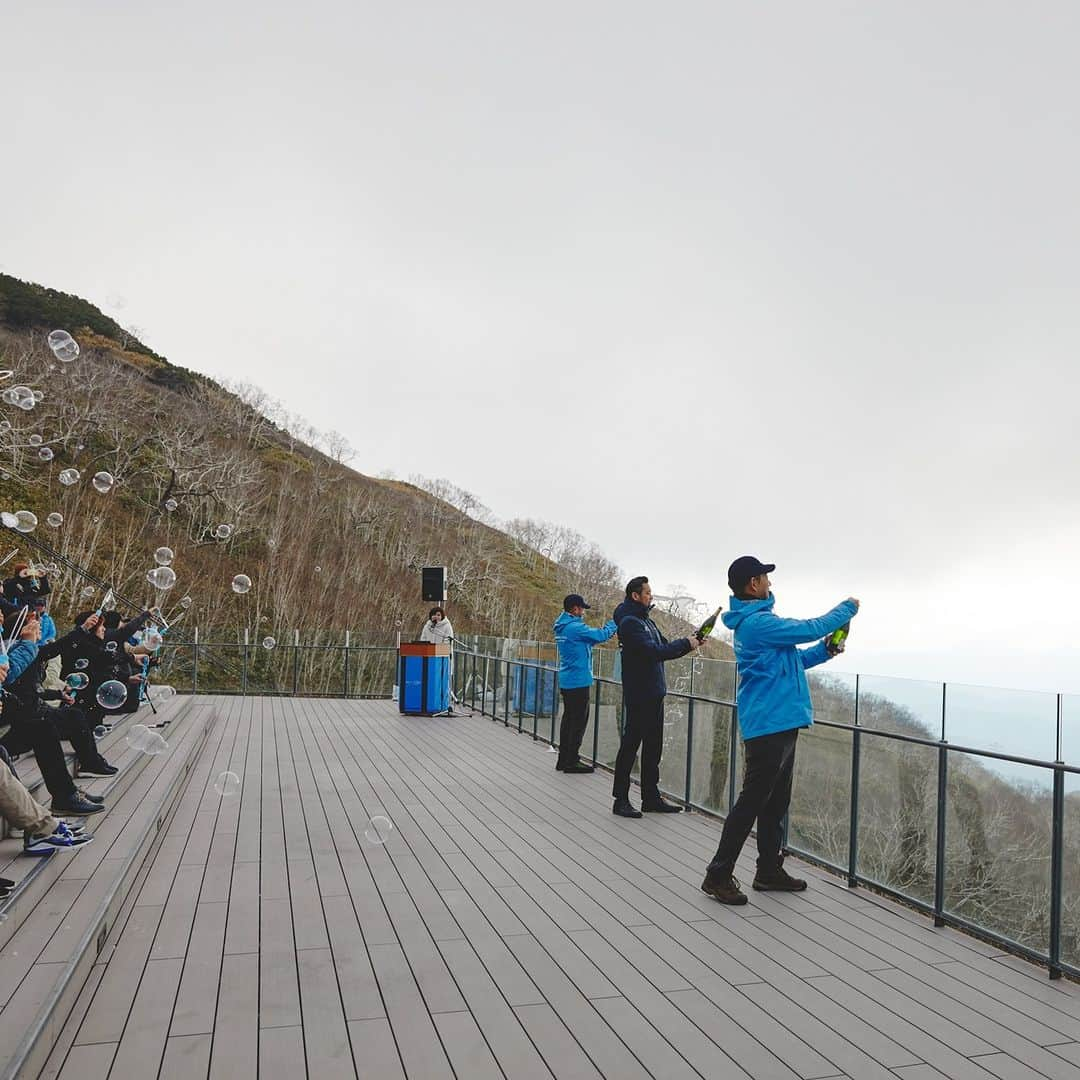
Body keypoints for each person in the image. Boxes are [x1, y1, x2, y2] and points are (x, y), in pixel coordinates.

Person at [701, 556, 859, 905]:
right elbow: (809, 627)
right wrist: (846, 609)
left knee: (775, 804)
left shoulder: (759, 624)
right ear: (752, 585)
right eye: (764, 578)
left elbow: (795, 660)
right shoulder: (757, 623)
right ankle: (718, 874)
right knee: (752, 803)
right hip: (769, 725)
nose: (770, 583)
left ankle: (769, 870)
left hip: (781, 722)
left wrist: (826, 651)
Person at [611, 576, 699, 817]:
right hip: (640, 694)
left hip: (654, 693)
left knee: (653, 747)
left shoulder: (645, 621)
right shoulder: (630, 623)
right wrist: (686, 644)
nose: (651, 596)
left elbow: (665, 646)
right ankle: (620, 799)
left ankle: (650, 797)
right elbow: (654, 652)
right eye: (647, 593)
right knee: (630, 746)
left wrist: (689, 643)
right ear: (635, 596)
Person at [552, 594, 616, 773]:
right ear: (574, 609)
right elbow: (602, 635)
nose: (583, 613)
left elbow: (581, 644)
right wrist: (615, 623)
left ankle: (563, 759)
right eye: (581, 609)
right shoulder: (575, 627)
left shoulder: (561, 626)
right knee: (578, 723)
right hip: (579, 681)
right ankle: (572, 761)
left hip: (567, 679)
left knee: (568, 721)